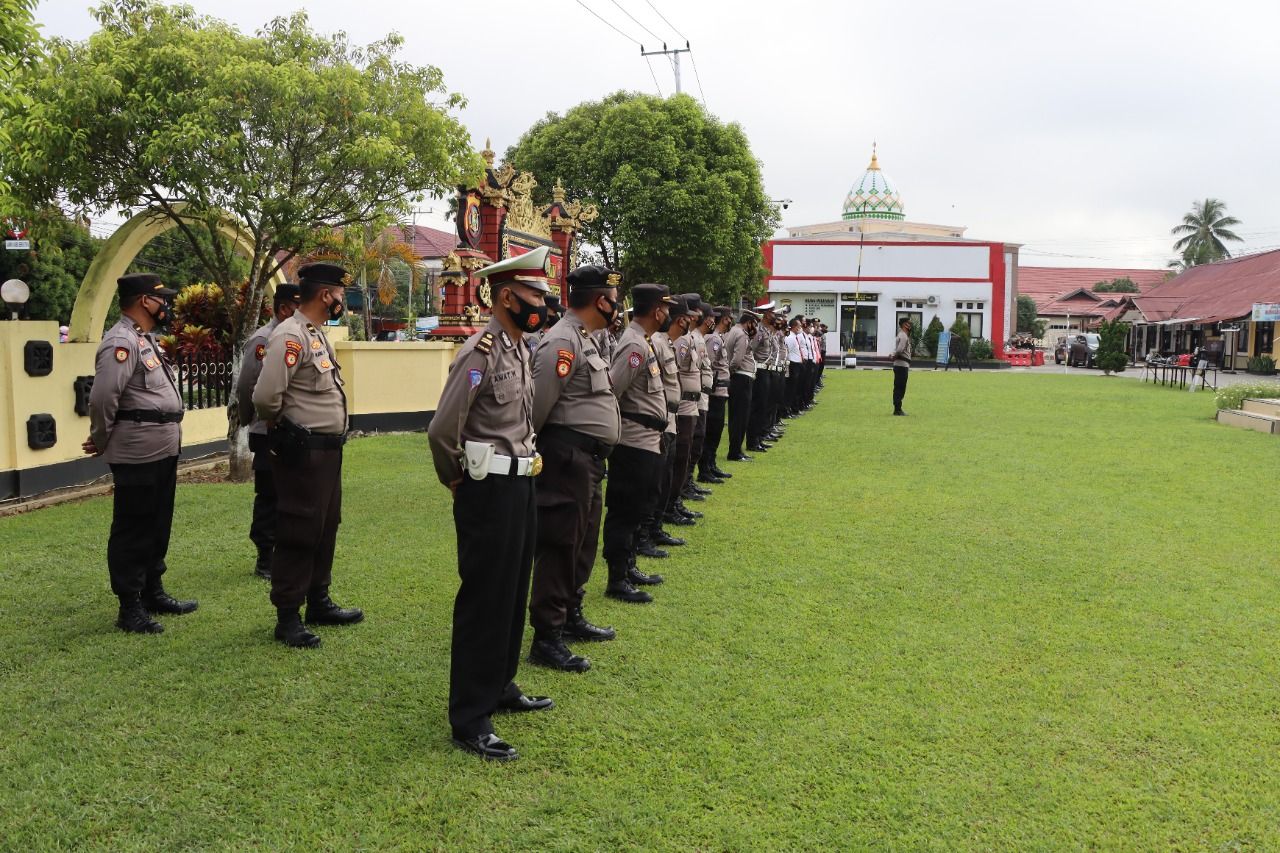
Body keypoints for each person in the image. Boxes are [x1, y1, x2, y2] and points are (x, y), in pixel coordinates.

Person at [428, 247, 553, 762]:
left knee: (513, 588)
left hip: (521, 485)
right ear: (506, 296)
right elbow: (441, 431)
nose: (542, 305)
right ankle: (470, 716)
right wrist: (457, 480)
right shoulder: (479, 352)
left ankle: (500, 684)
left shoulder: (521, 348)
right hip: (487, 489)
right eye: (534, 296)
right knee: (485, 599)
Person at [253, 262, 363, 648]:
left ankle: (319, 600)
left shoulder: (316, 333)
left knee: (325, 526)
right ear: (324, 295)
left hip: (327, 452)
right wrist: (284, 427)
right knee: (299, 529)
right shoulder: (290, 336)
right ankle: (288, 615)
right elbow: (265, 398)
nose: (341, 301)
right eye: (338, 294)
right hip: (303, 452)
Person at [84, 273, 197, 634]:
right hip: (137, 450)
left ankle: (153, 591)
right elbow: (103, 398)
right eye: (161, 299)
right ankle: (129, 606)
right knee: (134, 527)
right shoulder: (120, 341)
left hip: (161, 446)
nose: (167, 306)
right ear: (145, 301)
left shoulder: (144, 339)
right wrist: (102, 440)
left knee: (157, 522)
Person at [528, 264, 622, 673]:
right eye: (614, 299)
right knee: (561, 545)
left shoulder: (587, 338)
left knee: (583, 541)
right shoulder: (562, 342)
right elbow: (536, 409)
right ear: (600, 300)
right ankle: (547, 636)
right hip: (566, 458)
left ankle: (570, 614)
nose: (618, 306)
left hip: (588, 460)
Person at [602, 283, 678, 602]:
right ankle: (617, 577)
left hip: (648, 440)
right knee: (625, 509)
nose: (668, 314)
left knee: (638, 507)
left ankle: (629, 566)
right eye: (666, 308)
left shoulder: (643, 342)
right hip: (633, 442)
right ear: (657, 310)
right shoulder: (633, 345)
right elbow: (612, 392)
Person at [235, 282, 302, 580]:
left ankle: (286, 551)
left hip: (295, 431)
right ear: (285, 308)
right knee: (269, 496)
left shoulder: (300, 336)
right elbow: (247, 383)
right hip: (268, 431)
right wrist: (252, 422)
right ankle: (265, 557)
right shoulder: (263, 338)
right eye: (299, 306)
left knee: (292, 495)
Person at [698, 306, 734, 482]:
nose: (730, 322)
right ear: (723, 319)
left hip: (721, 391)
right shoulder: (714, 339)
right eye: (728, 318)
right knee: (712, 431)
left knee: (716, 431)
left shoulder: (718, 338)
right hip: (715, 392)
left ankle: (711, 465)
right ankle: (705, 469)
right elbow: (708, 365)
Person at [724, 310, 759, 461]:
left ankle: (736, 449)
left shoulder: (733, 331)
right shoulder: (741, 334)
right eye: (754, 324)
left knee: (736, 416)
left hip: (739, 378)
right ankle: (735, 451)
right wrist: (731, 371)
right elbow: (737, 360)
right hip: (741, 377)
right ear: (748, 322)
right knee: (740, 417)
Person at [747, 299, 777, 453]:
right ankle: (752, 441)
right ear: (765, 315)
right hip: (759, 370)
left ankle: (758, 438)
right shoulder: (759, 331)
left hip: (767, 370)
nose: (773, 315)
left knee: (764, 406)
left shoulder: (766, 331)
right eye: (771, 312)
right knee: (758, 407)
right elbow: (750, 349)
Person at [892, 316, 912, 416]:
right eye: (909, 323)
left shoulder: (901, 334)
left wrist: (893, 355)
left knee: (898, 387)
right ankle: (898, 409)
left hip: (899, 365)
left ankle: (897, 408)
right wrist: (894, 355)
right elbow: (900, 349)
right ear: (904, 324)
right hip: (902, 365)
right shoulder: (903, 335)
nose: (910, 325)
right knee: (900, 387)